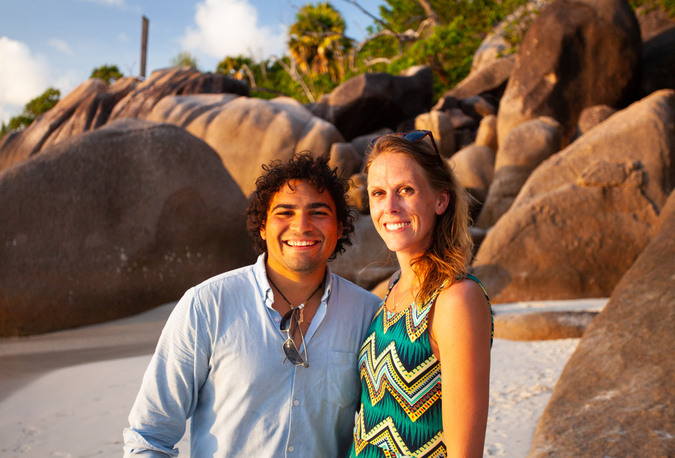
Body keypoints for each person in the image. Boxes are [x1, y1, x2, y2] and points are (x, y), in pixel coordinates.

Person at [123, 152, 381, 457]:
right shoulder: (208, 305)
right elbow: (149, 436)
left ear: (339, 229)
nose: (301, 226)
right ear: (262, 225)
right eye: (285, 212)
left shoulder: (368, 313)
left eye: (318, 212)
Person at [349, 130, 493, 458]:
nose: (390, 207)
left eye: (406, 190)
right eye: (378, 193)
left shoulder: (456, 299)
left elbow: (465, 453)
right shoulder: (393, 291)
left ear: (441, 200)